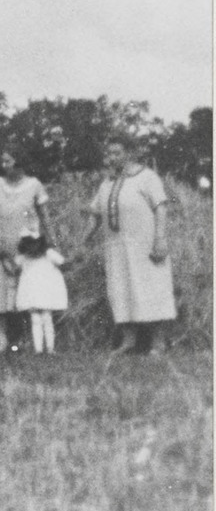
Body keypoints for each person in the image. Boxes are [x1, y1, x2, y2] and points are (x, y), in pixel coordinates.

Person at [80, 135, 175, 354]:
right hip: (117, 248)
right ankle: (128, 341)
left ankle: (158, 343)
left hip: (145, 246)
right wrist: (84, 241)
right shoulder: (107, 183)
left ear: (130, 153)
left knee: (152, 290)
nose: (112, 157)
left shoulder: (147, 177)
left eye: (117, 153)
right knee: (121, 291)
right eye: (109, 153)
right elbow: (96, 214)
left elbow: (161, 208)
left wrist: (160, 239)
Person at [0, 148, 53, 352]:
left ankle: (24, 338)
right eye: (2, 162)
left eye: (8, 161)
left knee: (26, 291)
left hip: (26, 247)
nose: (3, 166)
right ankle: (1, 339)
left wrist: (51, 241)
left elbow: (44, 216)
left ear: (19, 163)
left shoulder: (34, 185)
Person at [14, 229, 68, 354]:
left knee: (47, 318)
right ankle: (38, 349)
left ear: (41, 243)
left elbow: (62, 261)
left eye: (35, 243)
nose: (32, 247)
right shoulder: (24, 257)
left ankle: (50, 348)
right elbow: (14, 266)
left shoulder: (48, 254)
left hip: (45, 293)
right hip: (32, 293)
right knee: (35, 319)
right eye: (29, 244)